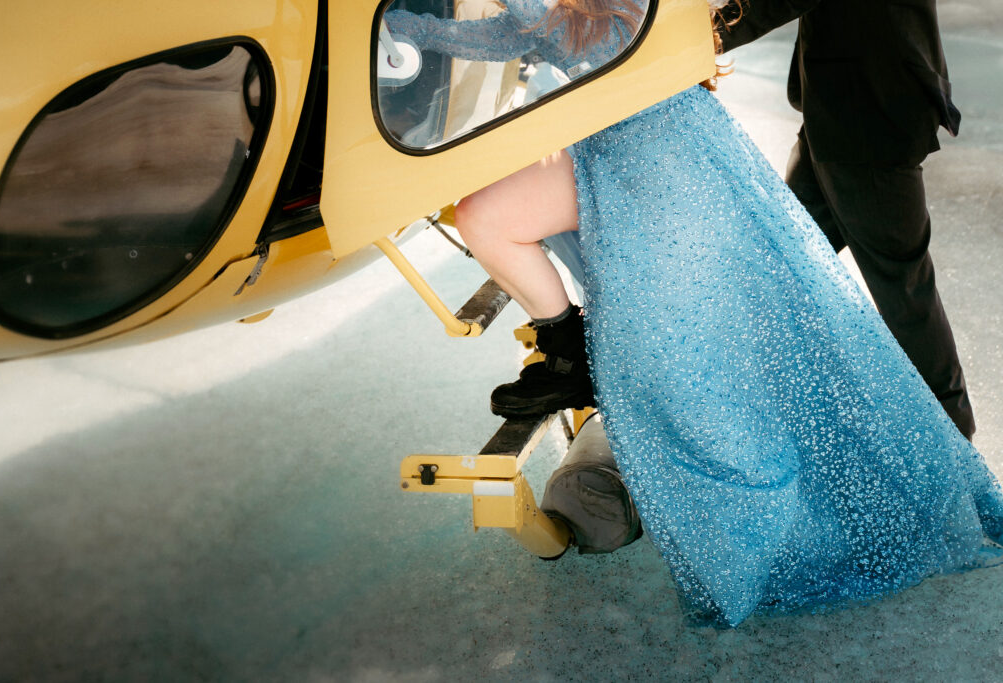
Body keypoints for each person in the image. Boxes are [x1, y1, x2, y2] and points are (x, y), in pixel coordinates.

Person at [383, 0, 1003, 626]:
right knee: (783, 296)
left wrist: (684, 31)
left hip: (852, 118)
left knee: (884, 287)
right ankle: (833, 439)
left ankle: (939, 447)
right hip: (792, 120)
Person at [714, 0, 976, 439]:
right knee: (781, 265)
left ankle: (955, 441)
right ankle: (765, 417)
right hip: (839, 111)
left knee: (903, 288)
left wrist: (708, 33)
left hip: (869, 119)